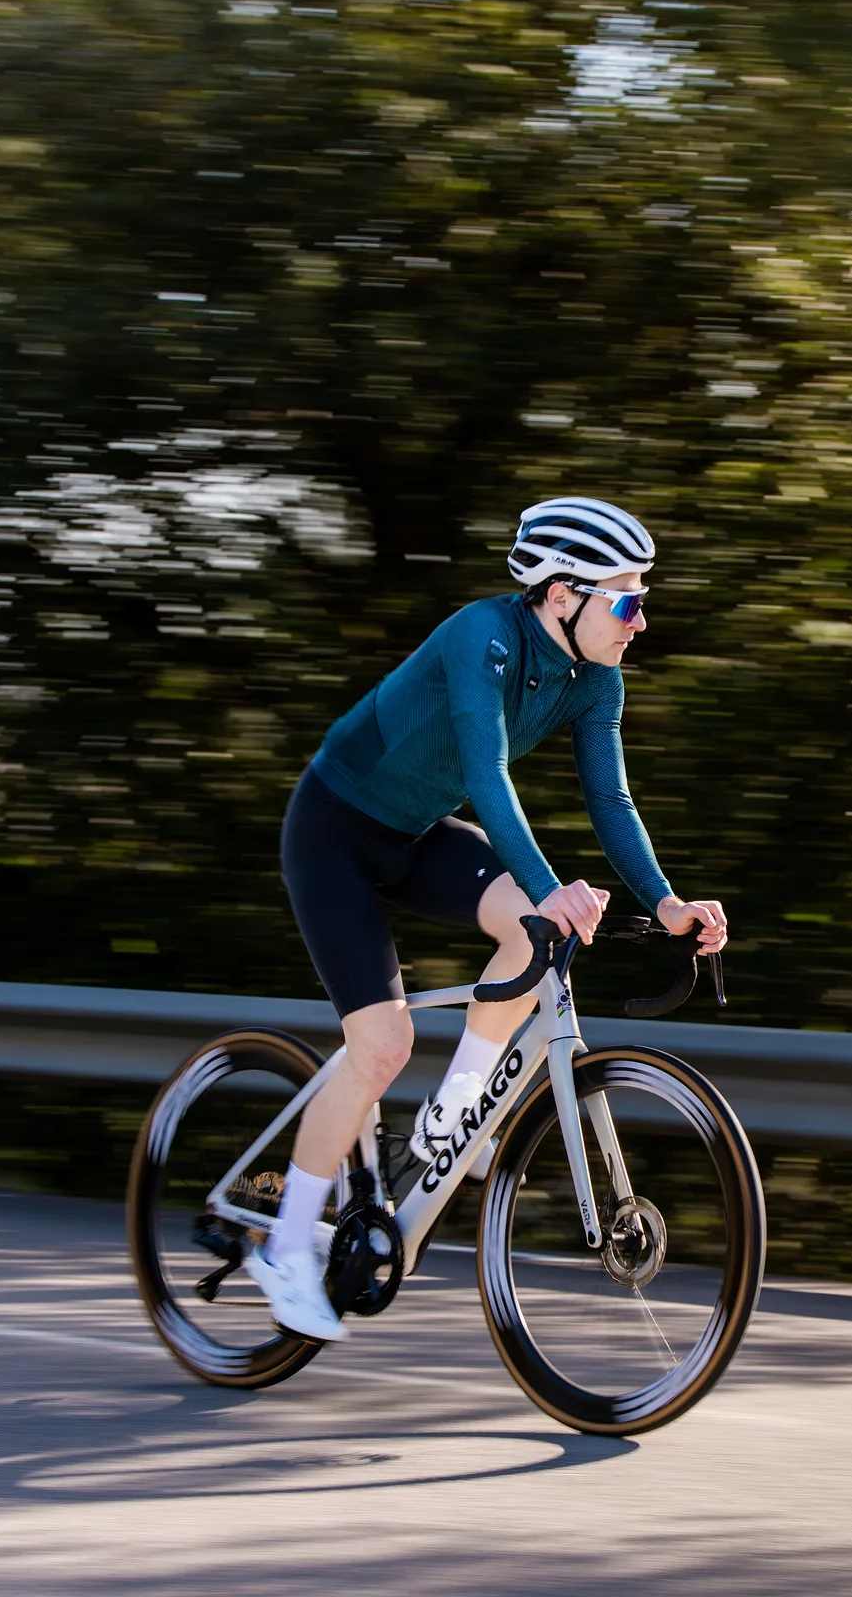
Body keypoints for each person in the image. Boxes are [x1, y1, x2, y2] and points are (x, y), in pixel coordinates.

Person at [248, 496, 730, 1340]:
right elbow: (489, 772)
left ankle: (454, 1113)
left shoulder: (596, 679)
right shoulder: (483, 637)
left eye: (643, 598)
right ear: (560, 596)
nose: (641, 620)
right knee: (382, 1047)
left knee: (537, 934)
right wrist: (552, 886)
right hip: (334, 830)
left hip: (417, 834)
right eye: (627, 599)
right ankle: (284, 1249)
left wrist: (668, 902)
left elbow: (610, 799)